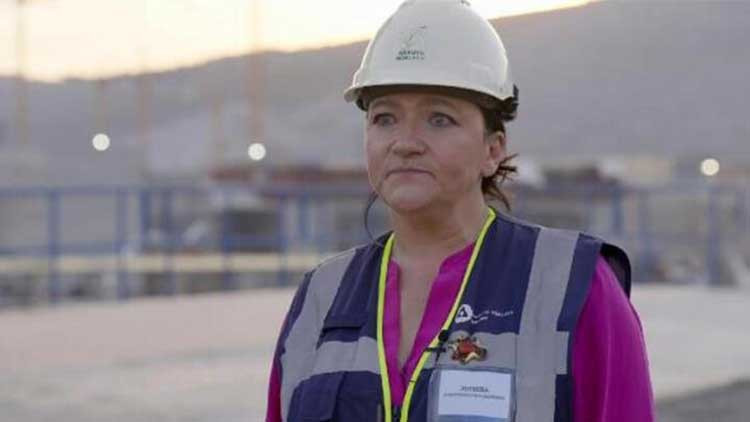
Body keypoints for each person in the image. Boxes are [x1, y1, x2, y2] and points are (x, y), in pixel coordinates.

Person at [266, 0, 654, 420]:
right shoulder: (321, 297)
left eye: (439, 119)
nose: (405, 142)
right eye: (384, 118)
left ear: (492, 150)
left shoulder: (574, 287)